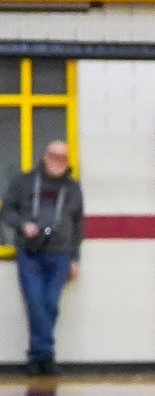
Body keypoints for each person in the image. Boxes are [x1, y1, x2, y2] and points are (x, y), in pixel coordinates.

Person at [3, 140, 83, 376]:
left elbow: (77, 224)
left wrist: (75, 258)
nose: (58, 162)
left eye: (63, 158)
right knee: (36, 303)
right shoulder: (24, 182)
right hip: (30, 253)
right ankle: (44, 355)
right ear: (45, 156)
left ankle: (39, 356)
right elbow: (7, 211)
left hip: (60, 254)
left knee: (50, 305)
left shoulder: (73, 188)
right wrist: (22, 225)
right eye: (54, 156)